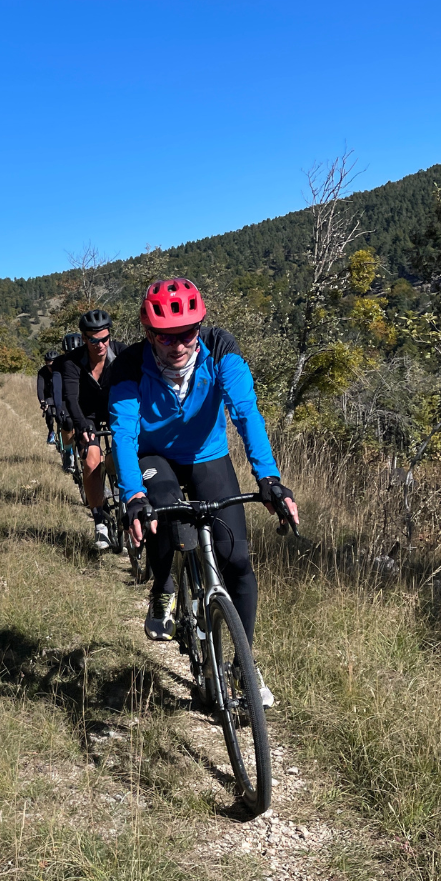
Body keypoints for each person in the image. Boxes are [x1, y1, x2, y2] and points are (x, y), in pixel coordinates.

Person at [107, 279, 299, 708]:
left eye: (187, 333)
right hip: (154, 455)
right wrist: (134, 496)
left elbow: (246, 413)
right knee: (164, 512)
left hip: (208, 455)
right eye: (165, 336)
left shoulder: (221, 348)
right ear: (147, 332)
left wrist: (268, 478)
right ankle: (163, 585)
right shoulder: (129, 366)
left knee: (238, 561)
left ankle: (243, 665)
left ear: (200, 327)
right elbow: (123, 434)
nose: (177, 345)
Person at [59, 309, 127, 551]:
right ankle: (99, 522)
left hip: (116, 410)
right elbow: (71, 398)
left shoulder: (122, 353)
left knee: (123, 454)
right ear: (84, 338)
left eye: (105, 338)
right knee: (90, 459)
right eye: (94, 340)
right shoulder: (72, 362)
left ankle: (114, 473)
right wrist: (81, 425)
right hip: (86, 415)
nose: (101, 345)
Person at [51, 332, 84, 473]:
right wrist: (58, 408)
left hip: (82, 396)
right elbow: (57, 386)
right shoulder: (59, 363)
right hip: (65, 397)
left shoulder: (86, 358)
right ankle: (68, 452)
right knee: (68, 422)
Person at [36, 349, 57, 445]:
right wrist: (42, 401)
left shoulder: (63, 369)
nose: (51, 368)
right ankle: (51, 431)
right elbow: (40, 388)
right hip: (48, 395)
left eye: (53, 366)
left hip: (61, 395)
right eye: (48, 365)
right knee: (48, 411)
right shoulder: (42, 372)